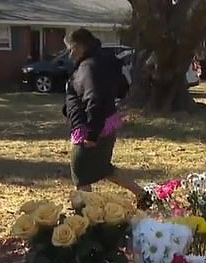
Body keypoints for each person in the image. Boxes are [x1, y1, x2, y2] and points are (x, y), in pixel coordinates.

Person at [62, 28, 151, 209]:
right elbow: (122, 87)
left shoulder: (88, 66)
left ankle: (87, 216)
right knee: (103, 167)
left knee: (81, 175)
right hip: (107, 125)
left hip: (89, 129)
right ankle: (142, 194)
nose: (70, 53)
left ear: (80, 46)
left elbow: (93, 98)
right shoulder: (103, 61)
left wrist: (92, 134)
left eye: (71, 48)